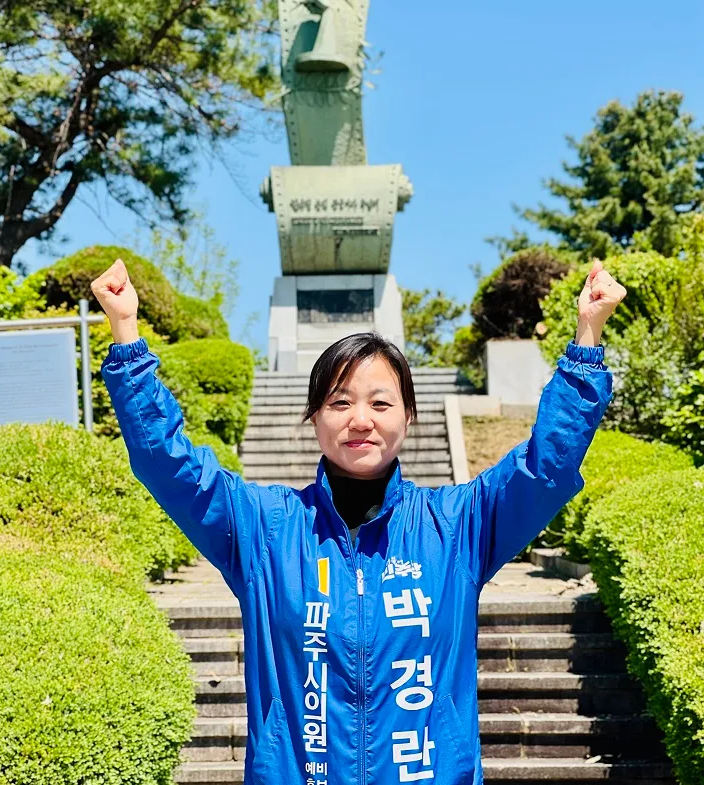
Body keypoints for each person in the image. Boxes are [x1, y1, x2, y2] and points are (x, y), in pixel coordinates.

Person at [93, 257, 625, 785]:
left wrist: (587, 336)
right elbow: (169, 465)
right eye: (339, 402)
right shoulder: (265, 529)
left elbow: (544, 469)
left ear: (408, 416)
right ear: (314, 417)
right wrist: (125, 330)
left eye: (380, 402)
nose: (361, 420)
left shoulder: (458, 526)